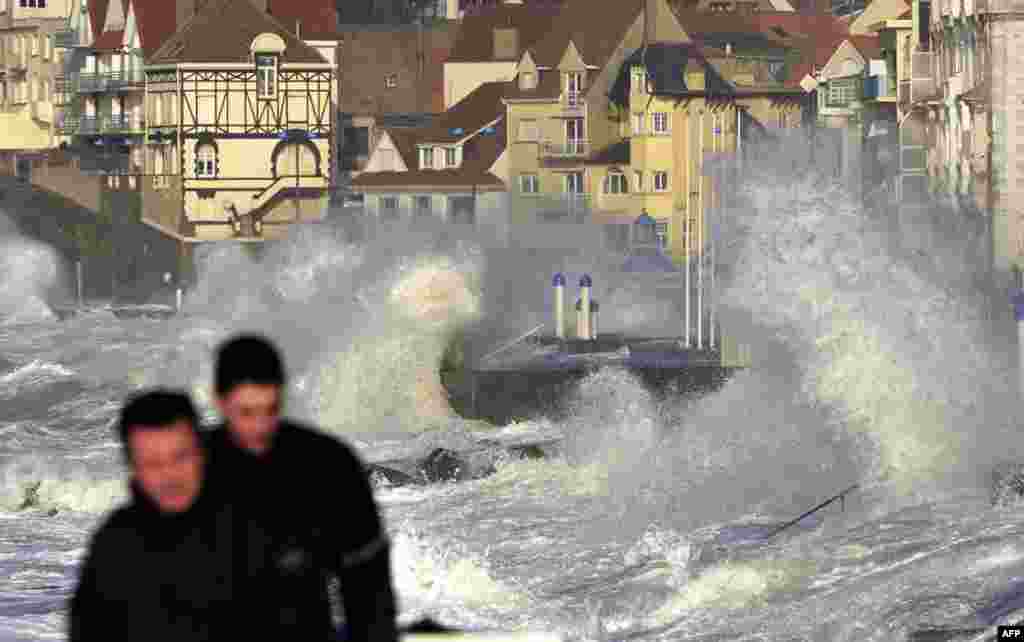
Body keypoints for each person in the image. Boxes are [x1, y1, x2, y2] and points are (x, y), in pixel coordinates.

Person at [207, 334, 399, 642]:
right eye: (245, 413)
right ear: (219, 401)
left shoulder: (330, 464)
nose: (258, 429)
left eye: (268, 410)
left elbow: (369, 595)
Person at [69, 389, 245, 642]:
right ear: (132, 467)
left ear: (202, 451)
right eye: (152, 463)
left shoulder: (252, 529)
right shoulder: (115, 546)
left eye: (180, 457)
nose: (170, 476)